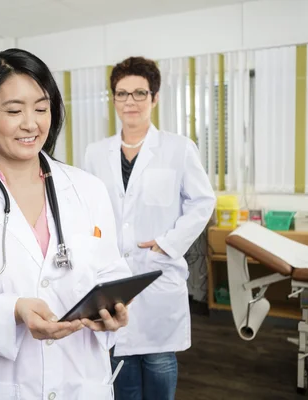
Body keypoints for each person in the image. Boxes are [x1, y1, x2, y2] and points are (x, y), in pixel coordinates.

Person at [0, 48, 132, 400]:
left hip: (81, 382)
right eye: (14, 110)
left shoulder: (87, 189)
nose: (31, 123)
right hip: (3, 386)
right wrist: (14, 311)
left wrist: (113, 309)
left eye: (41, 108)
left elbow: (111, 271)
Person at [83, 56, 216, 400]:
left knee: (158, 361)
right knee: (122, 366)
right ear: (113, 99)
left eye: (139, 93)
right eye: (122, 94)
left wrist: (169, 243)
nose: (130, 101)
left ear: (155, 98)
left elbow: (203, 202)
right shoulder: (95, 153)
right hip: (112, 273)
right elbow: (88, 210)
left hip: (157, 271)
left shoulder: (178, 148)